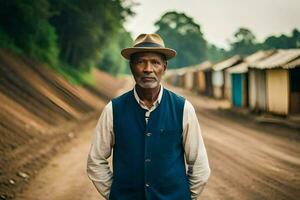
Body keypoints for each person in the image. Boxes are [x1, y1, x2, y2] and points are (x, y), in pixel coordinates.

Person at [87, 33, 210, 200]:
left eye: (155, 62)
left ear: (164, 68)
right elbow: (95, 161)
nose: (148, 69)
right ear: (131, 67)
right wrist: (116, 195)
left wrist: (184, 196)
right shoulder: (113, 110)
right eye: (140, 62)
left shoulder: (184, 109)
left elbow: (200, 165)